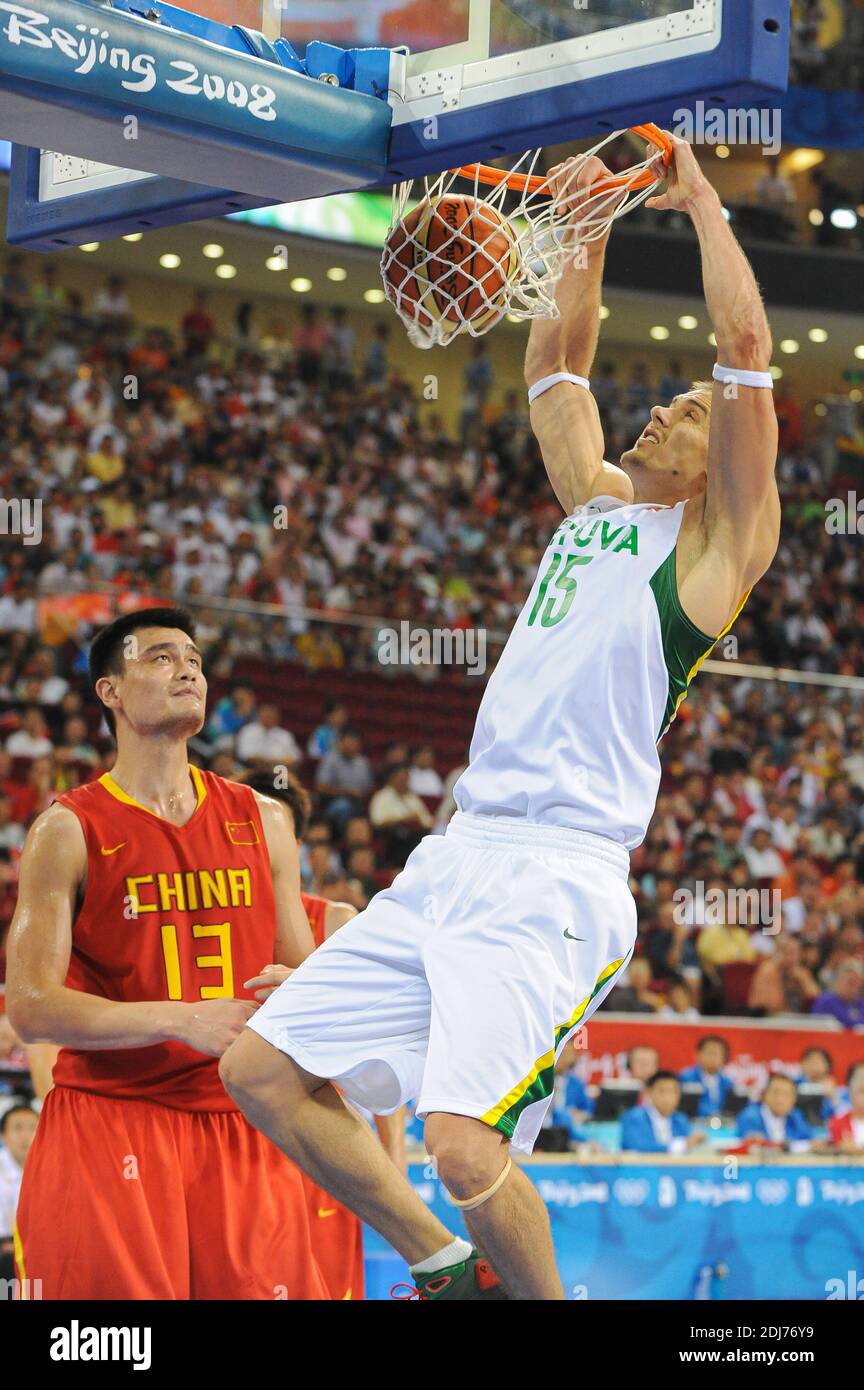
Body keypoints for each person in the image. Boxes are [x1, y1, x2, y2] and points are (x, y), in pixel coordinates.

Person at [219, 133, 779, 1302]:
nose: (662, 412)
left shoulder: (722, 546)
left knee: (466, 1145)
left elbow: (742, 346)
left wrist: (699, 200)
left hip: (558, 876)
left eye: (681, 411)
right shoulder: (600, 504)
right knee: (262, 1069)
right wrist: (587, 217)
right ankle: (440, 1265)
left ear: (709, 456)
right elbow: (556, 363)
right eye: (666, 403)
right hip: (457, 853)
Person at [6, 609, 328, 1299]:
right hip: (110, 1119)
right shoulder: (67, 829)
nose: (187, 668)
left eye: (193, 658)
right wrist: (181, 1019)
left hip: (242, 1121)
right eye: (158, 657)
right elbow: (30, 1007)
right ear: (110, 692)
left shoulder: (265, 821)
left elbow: (301, 977)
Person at [621, 1072, 705, 1153]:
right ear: (648, 1093)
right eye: (662, 1091)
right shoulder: (633, 1117)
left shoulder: (681, 1120)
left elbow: (690, 1148)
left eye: (673, 1091)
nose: (668, 1097)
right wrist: (679, 1146)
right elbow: (634, 1146)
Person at [0, 1104, 38, 1276]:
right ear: (3, 1136)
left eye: (32, 1128)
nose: (25, 1135)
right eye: (17, 1128)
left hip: (36, 1250)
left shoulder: (54, 1169)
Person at [737, 1074, 817, 1151]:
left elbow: (810, 1142)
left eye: (786, 1094)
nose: (780, 1099)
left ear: (794, 1099)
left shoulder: (795, 1116)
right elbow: (753, 1145)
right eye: (775, 1092)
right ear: (764, 1094)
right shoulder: (750, 1115)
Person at [678, 1035, 734, 1116]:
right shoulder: (685, 1077)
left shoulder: (727, 1082)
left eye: (717, 1054)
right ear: (698, 1054)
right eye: (709, 1053)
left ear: (724, 1058)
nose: (713, 1057)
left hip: (721, 1124)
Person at [811, 961, 864, 1028]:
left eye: (857, 983)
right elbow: (817, 1027)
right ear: (839, 980)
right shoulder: (825, 1002)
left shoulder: (861, 1003)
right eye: (851, 982)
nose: (854, 987)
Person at [828, 1065, 864, 1154]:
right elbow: (831, 1148)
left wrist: (858, 1150)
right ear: (850, 1093)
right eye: (862, 1091)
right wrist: (840, 1148)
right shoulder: (837, 1121)